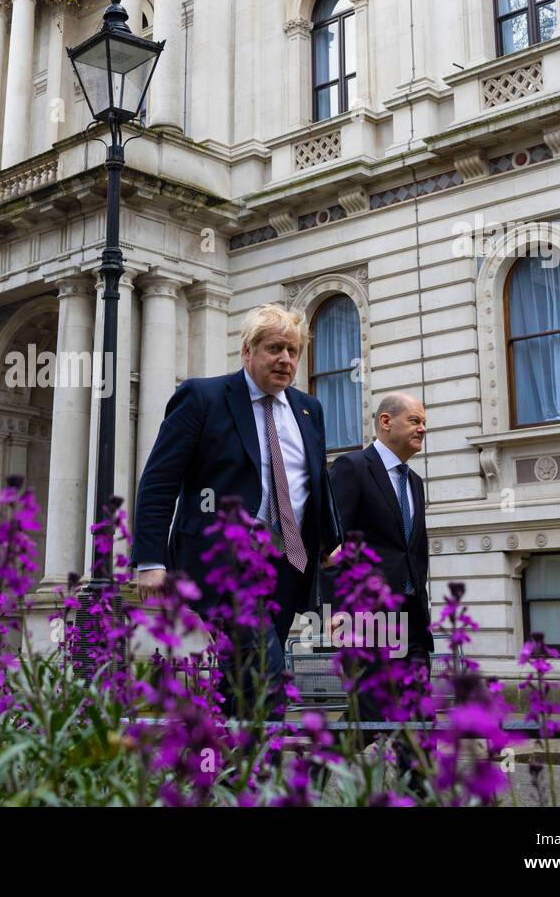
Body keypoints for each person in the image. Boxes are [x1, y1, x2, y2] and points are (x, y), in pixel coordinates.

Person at [132, 303, 341, 717]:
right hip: (224, 560)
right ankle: (263, 768)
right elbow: (159, 480)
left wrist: (329, 547)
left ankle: (219, 768)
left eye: (293, 351)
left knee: (241, 675)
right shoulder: (203, 398)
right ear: (248, 352)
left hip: (288, 563)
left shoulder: (308, 410)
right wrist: (150, 559)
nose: (285, 359)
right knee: (265, 670)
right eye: (274, 348)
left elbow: (315, 484)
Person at [328, 393, 433, 780]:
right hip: (368, 618)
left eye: (424, 422)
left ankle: (422, 795)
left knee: (420, 716)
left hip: (413, 617)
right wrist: (338, 607)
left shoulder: (415, 482)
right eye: (416, 421)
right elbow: (332, 544)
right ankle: (315, 773)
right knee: (372, 713)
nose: (423, 428)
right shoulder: (352, 468)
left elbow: (413, 551)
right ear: (386, 422)